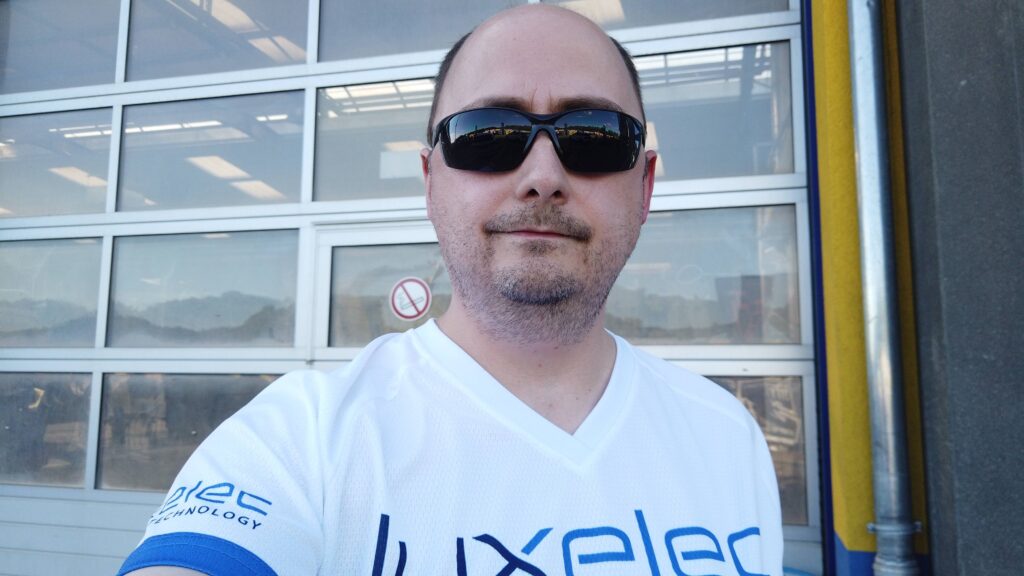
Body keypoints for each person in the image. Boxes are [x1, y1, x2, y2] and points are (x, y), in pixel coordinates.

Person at [118, 5, 783, 575]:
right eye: (488, 136)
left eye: (594, 137)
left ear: (646, 186)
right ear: (430, 181)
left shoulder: (728, 438)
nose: (543, 175)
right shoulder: (301, 443)